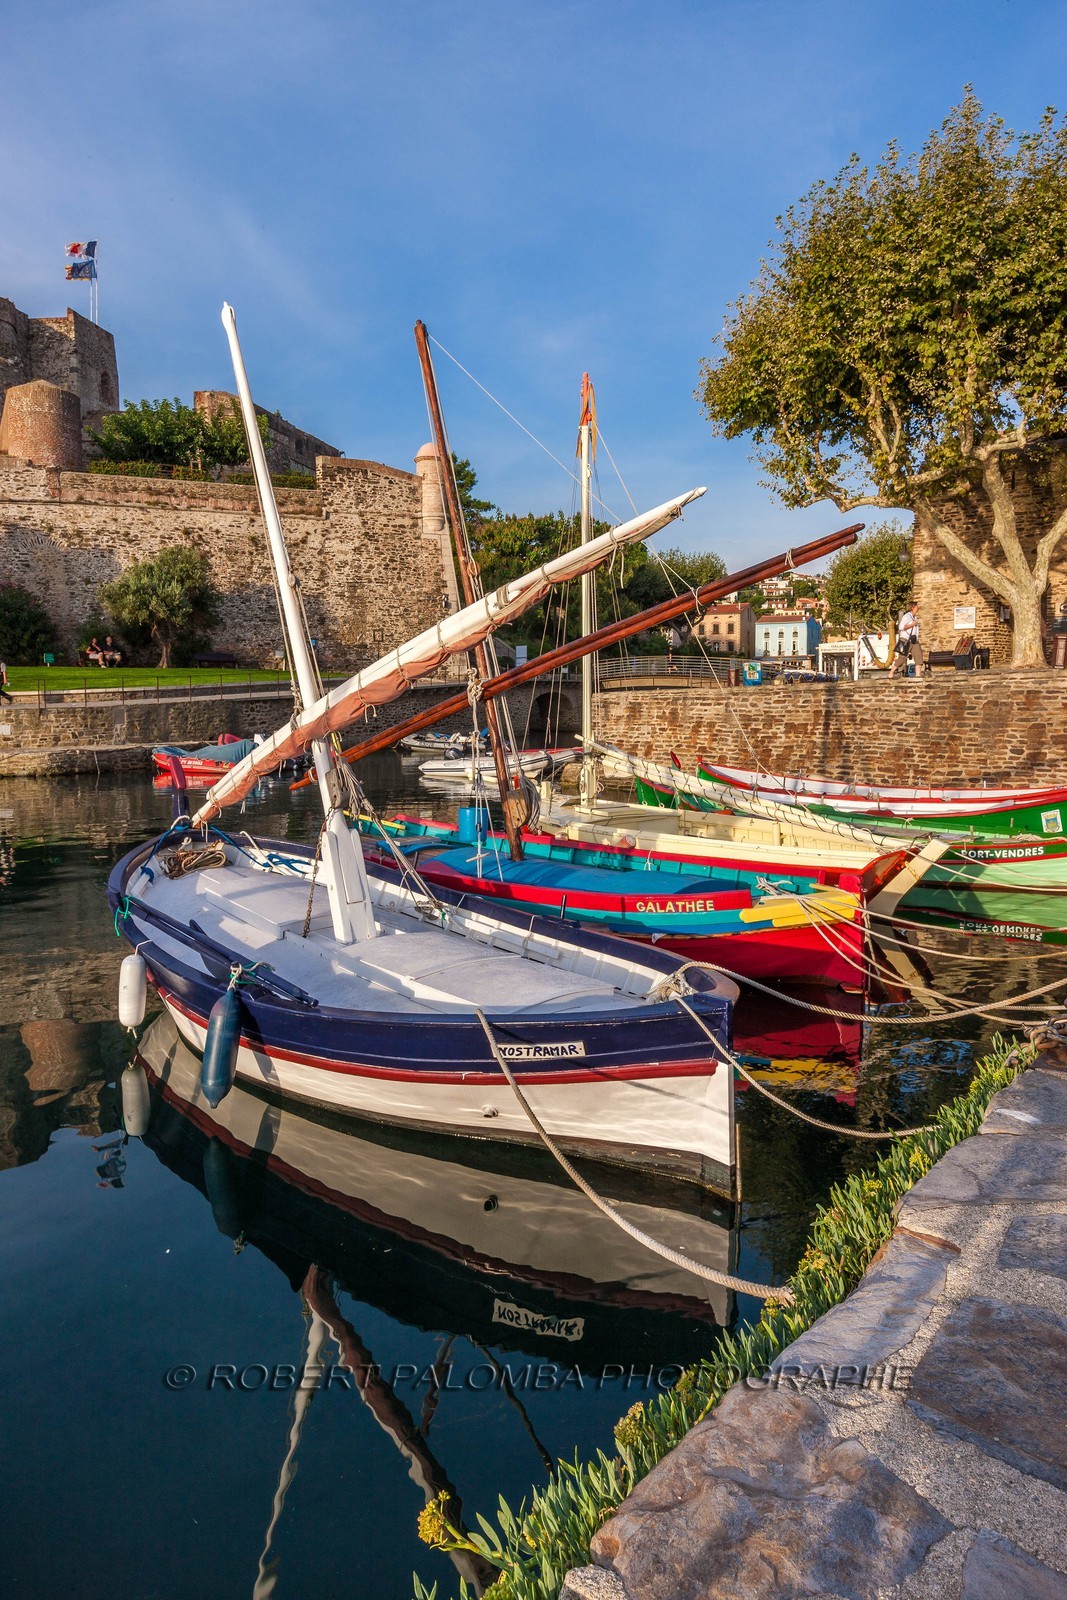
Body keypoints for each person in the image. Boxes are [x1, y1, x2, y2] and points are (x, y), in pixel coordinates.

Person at [888, 601, 924, 678]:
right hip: (906, 639)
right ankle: (891, 673)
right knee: (902, 658)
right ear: (912, 607)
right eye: (916, 606)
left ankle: (918, 675)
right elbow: (901, 627)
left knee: (919, 657)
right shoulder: (907, 616)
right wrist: (912, 625)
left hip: (914, 640)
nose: (918, 607)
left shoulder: (914, 617)